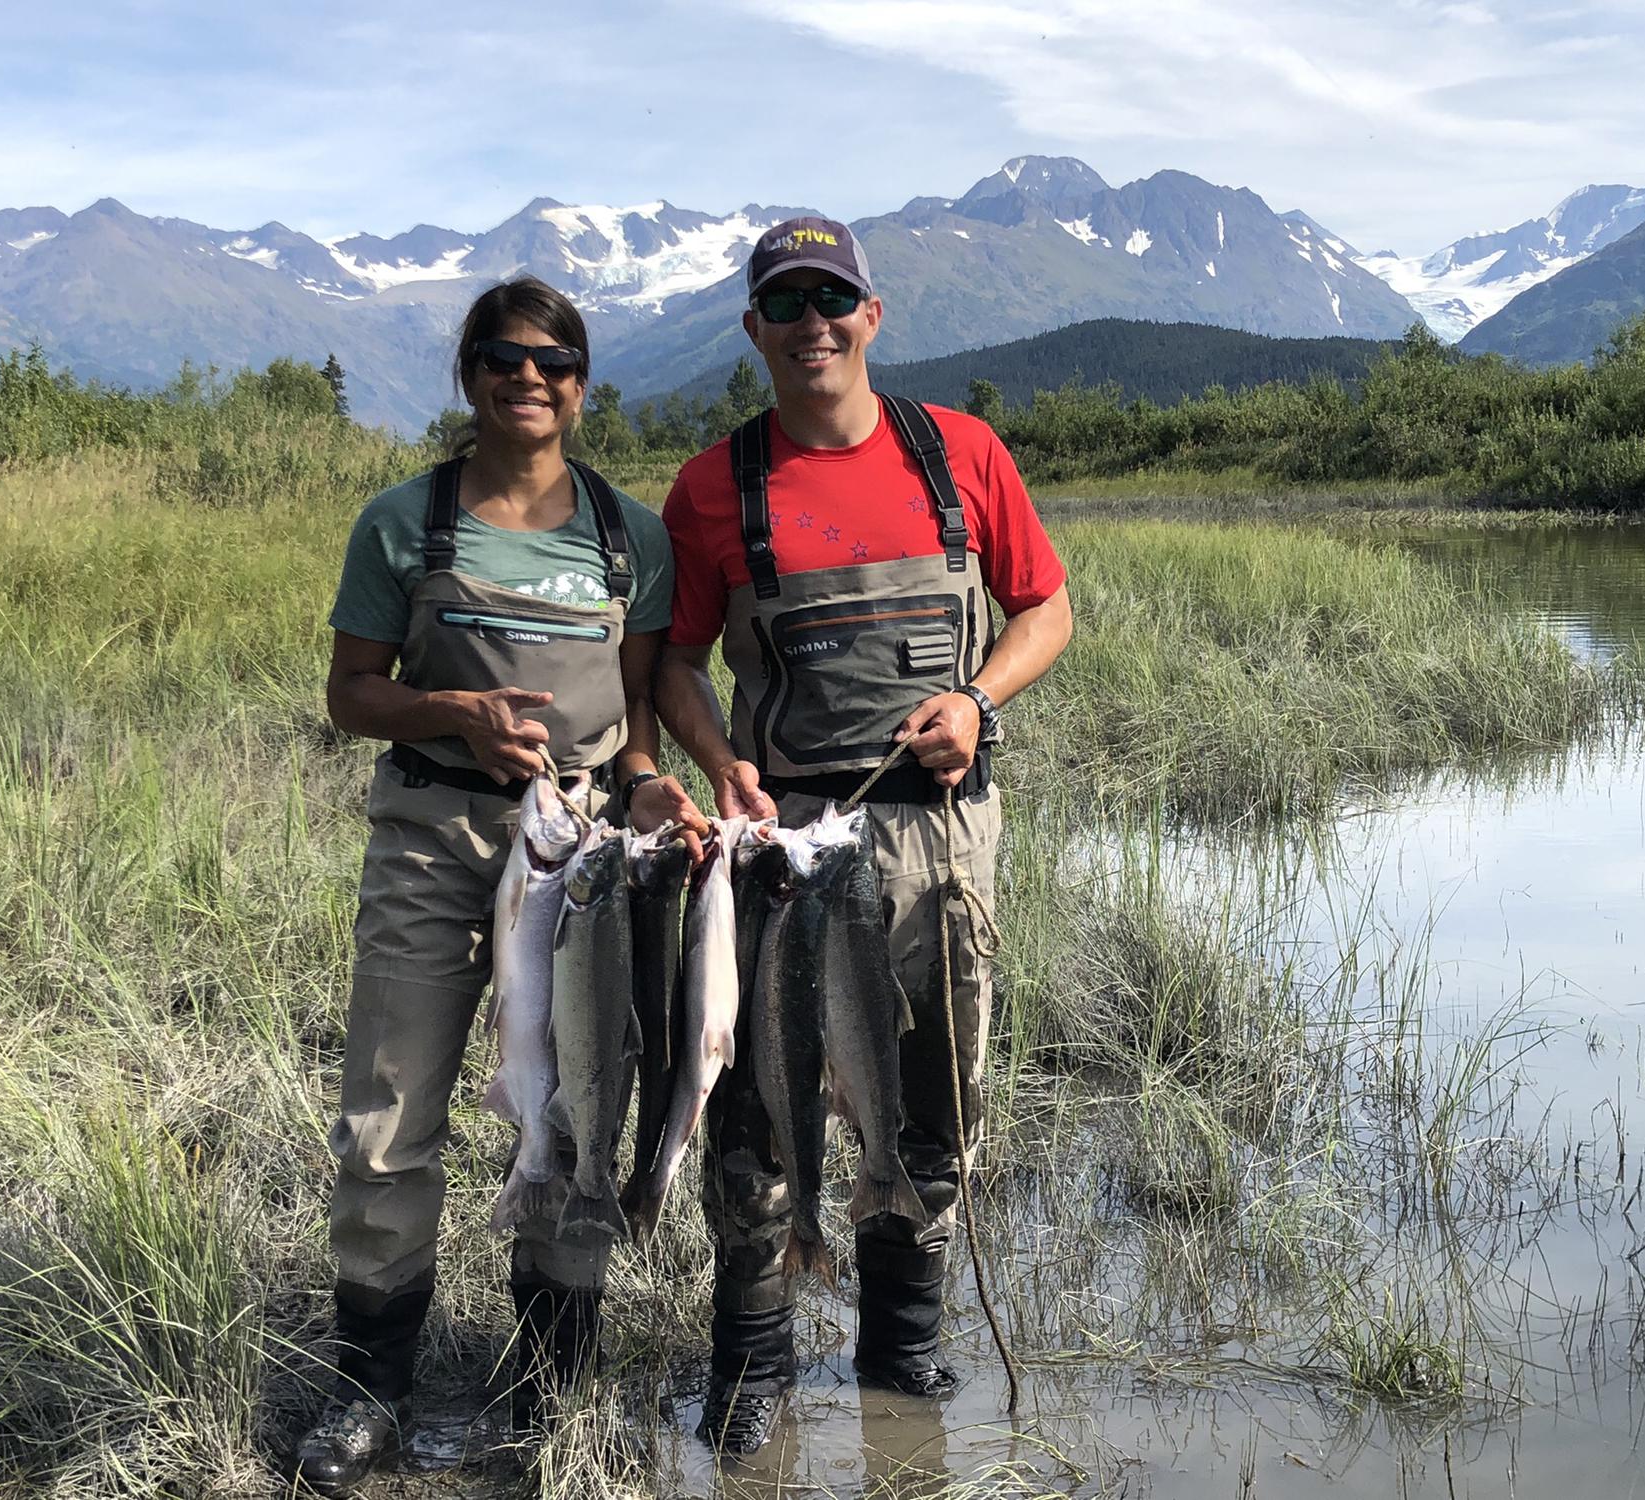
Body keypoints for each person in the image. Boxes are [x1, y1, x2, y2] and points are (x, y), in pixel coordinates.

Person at [655, 217, 1073, 1454]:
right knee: (751, 1112)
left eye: (831, 297)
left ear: (871, 316)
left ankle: (903, 1363)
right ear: (754, 333)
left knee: (928, 1106)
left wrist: (977, 701)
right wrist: (715, 762)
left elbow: (1045, 610)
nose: (811, 323)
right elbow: (672, 661)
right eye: (785, 303)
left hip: (939, 844)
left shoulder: (961, 455)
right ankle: (753, 1368)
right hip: (778, 851)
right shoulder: (710, 486)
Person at [294, 276, 707, 1496]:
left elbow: (637, 715)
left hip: (581, 863)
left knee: (576, 1105)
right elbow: (350, 694)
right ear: (468, 374)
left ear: (583, 382)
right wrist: (452, 713)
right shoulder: (402, 523)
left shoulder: (629, 534)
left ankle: (548, 1374)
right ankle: (370, 1384)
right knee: (389, 1109)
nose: (529, 378)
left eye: (555, 361)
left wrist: (644, 784)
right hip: (430, 839)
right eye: (502, 358)